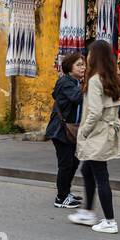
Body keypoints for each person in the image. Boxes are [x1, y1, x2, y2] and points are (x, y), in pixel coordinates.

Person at [68, 39, 120, 234]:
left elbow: (94, 112)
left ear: (95, 57)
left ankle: (109, 220)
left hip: (97, 133)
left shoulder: (94, 80)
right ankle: (88, 211)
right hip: (107, 131)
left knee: (101, 176)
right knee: (87, 170)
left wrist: (83, 132)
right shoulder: (112, 78)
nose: (87, 57)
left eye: (90, 53)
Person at [45, 51, 85, 209]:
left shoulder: (75, 82)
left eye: (84, 65)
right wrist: (94, 86)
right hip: (61, 130)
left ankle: (66, 192)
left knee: (73, 162)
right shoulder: (66, 82)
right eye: (79, 65)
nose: (83, 68)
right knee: (65, 164)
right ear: (69, 67)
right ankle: (61, 198)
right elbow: (78, 98)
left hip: (70, 129)